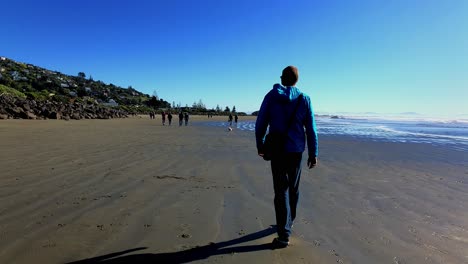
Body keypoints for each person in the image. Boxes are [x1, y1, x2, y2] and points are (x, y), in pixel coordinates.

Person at [255, 66, 318, 249]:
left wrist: (260, 144)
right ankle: (289, 223)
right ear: (297, 80)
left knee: (280, 190)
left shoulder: (271, 96)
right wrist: (313, 153)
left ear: (283, 78)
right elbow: (311, 128)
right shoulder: (304, 99)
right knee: (293, 189)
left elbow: (261, 123)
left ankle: (284, 233)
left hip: (277, 151)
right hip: (296, 151)